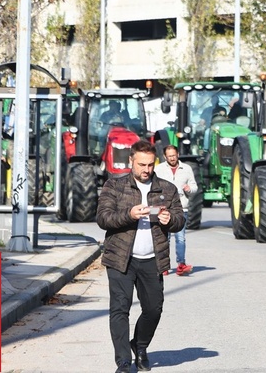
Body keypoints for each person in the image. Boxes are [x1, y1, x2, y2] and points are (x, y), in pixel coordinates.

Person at [96, 139, 184, 373]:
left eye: (150, 165)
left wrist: (170, 220)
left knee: (154, 309)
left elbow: (179, 218)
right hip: (120, 259)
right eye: (141, 165)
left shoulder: (166, 188)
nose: (146, 170)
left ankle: (140, 346)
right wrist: (129, 214)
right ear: (131, 161)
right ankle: (123, 361)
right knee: (120, 309)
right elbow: (103, 218)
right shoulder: (114, 186)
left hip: (152, 260)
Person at [153, 145, 198, 276]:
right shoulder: (159, 169)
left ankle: (181, 264)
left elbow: (194, 186)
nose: (172, 158)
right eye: (169, 156)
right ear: (165, 157)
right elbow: (153, 185)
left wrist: (189, 189)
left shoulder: (187, 169)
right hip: (164, 209)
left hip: (181, 208)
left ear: (178, 154)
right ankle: (163, 266)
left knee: (181, 238)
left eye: (174, 155)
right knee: (164, 238)